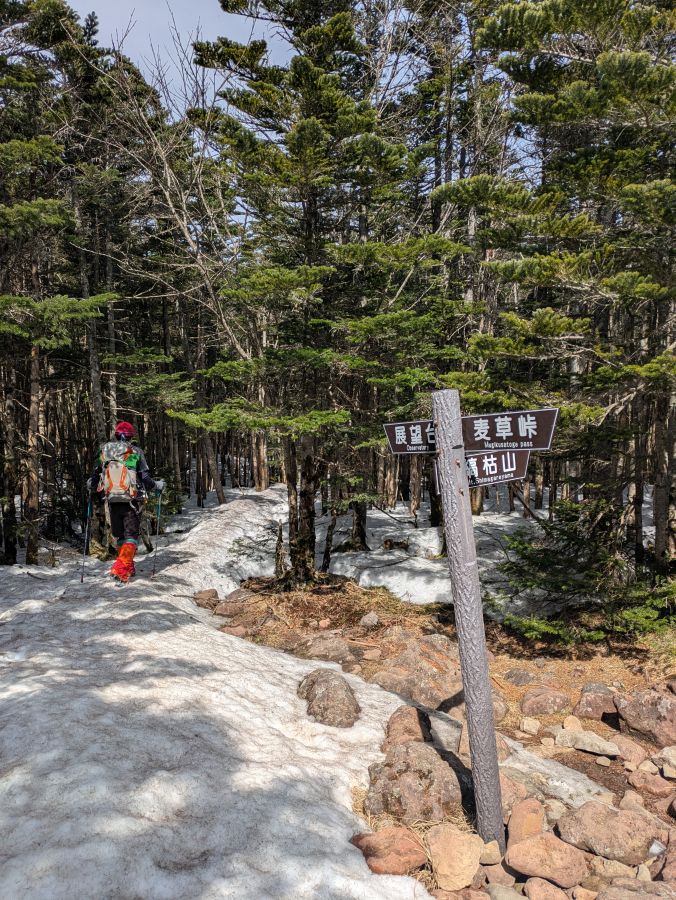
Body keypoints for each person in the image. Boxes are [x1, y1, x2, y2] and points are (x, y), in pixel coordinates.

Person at [88, 421, 165, 582]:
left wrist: (91, 485)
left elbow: (96, 476)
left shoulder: (104, 451)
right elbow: (144, 478)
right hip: (132, 500)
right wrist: (157, 485)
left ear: (116, 435)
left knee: (120, 535)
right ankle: (120, 570)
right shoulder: (135, 451)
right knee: (131, 536)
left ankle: (128, 567)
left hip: (111, 499)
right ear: (131, 437)